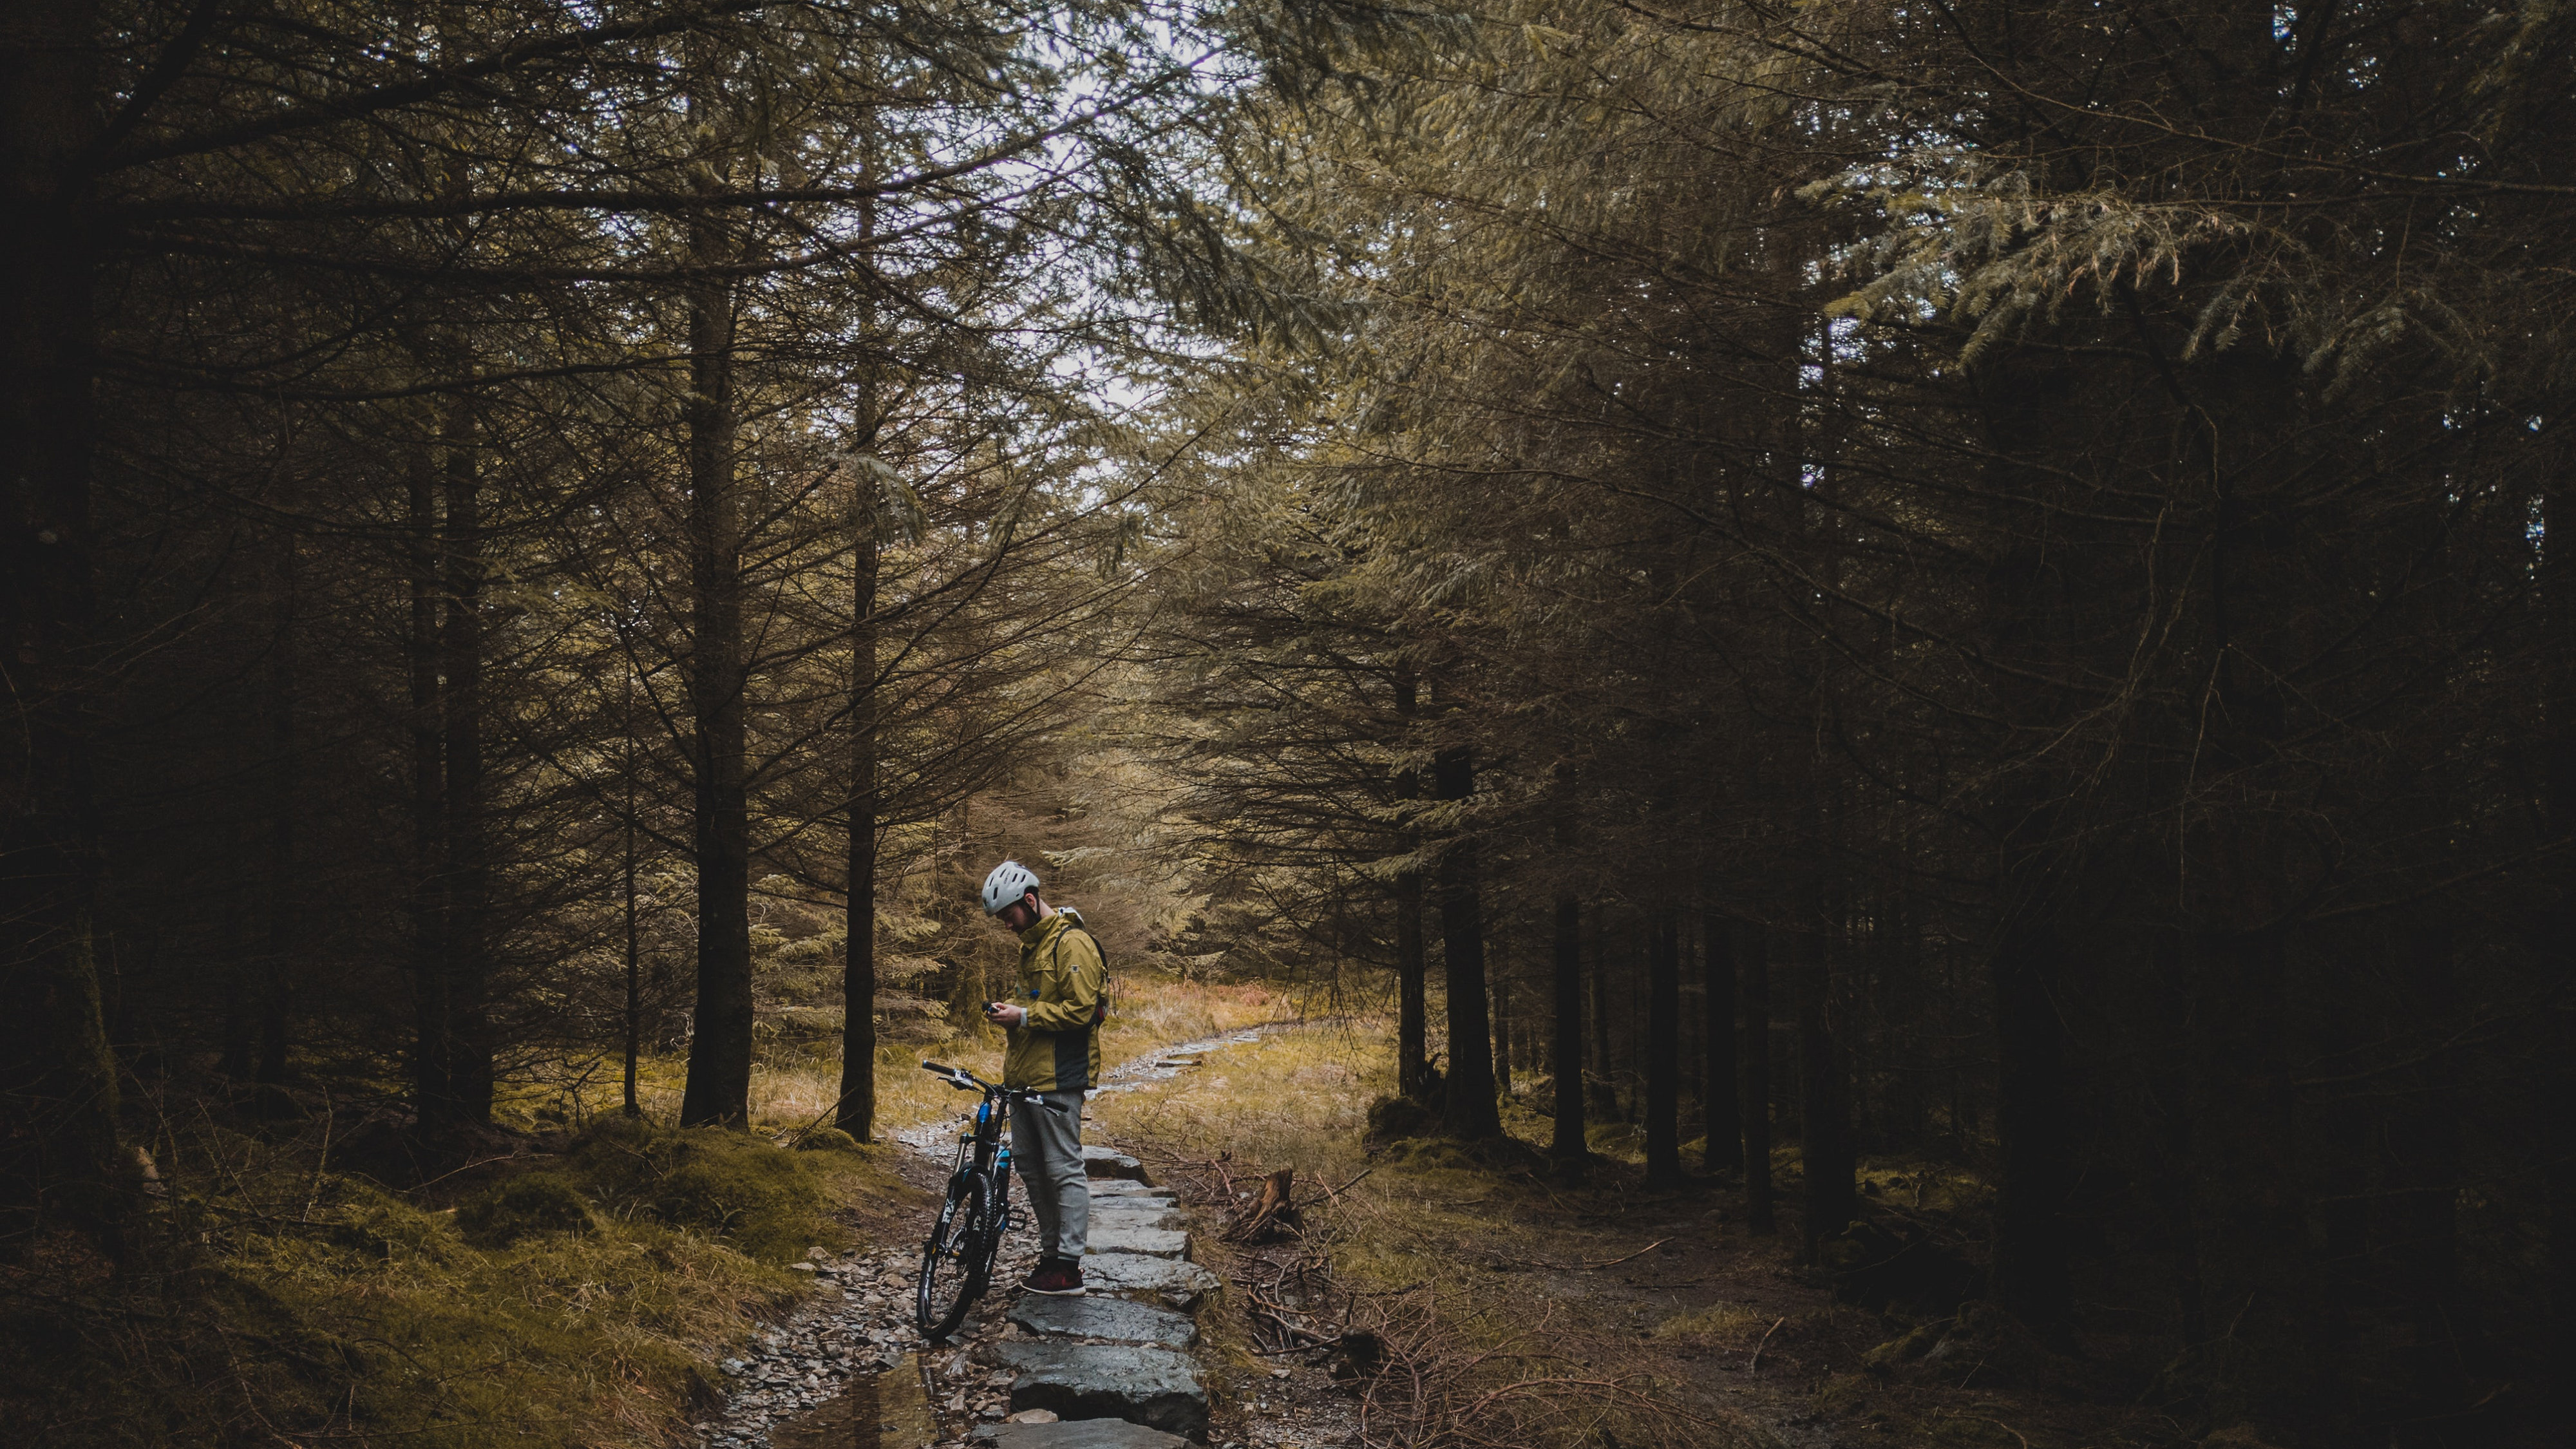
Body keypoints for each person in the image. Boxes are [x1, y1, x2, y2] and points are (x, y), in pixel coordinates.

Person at [979, 859, 1107, 1296]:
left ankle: (1068, 1268)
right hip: (1025, 1076)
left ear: (1030, 901)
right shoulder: (1032, 946)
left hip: (1059, 1076)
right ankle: (1051, 1258)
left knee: (1063, 1167)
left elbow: (1083, 1011)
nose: (1008, 926)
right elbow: (1034, 1007)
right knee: (1032, 1169)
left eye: (1009, 916)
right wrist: (1013, 1015)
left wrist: (1025, 1016)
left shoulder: (1072, 944)